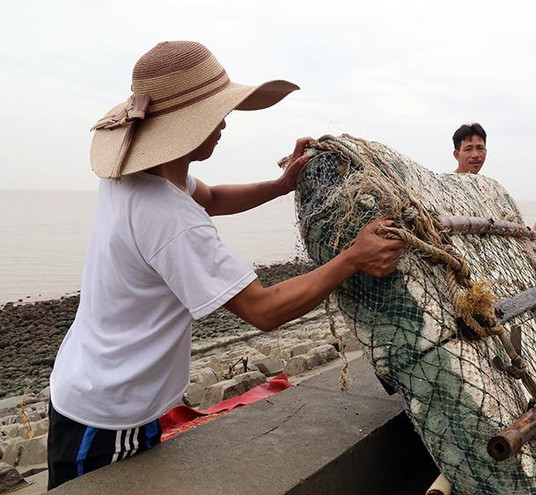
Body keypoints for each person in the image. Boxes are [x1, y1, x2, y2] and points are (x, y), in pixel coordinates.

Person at [47, 41, 405, 489]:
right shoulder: (169, 218)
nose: (223, 123)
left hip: (97, 382)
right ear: (182, 126)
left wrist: (281, 184)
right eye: (215, 114)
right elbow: (263, 309)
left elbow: (212, 198)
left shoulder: (140, 176)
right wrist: (352, 258)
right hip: (107, 417)